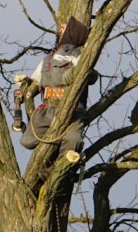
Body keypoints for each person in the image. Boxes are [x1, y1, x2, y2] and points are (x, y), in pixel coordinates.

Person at [16, 17, 95, 155]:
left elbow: (92, 76)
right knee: (27, 141)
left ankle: (63, 169)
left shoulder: (80, 55)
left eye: (64, 28)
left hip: (72, 110)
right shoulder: (48, 59)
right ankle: (47, 158)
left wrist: (74, 74)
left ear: (73, 32)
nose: (60, 29)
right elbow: (36, 81)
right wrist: (24, 89)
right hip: (47, 108)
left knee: (73, 141)